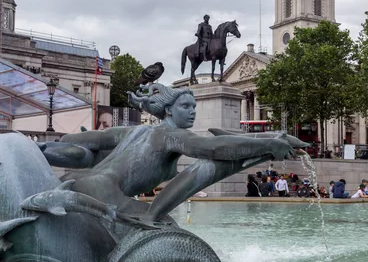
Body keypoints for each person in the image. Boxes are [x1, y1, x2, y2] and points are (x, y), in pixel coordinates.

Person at [39, 83, 297, 222]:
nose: (192, 111)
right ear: (169, 110)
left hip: (74, 184)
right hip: (106, 195)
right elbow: (213, 148)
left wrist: (47, 147)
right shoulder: (172, 135)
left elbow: (86, 140)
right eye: (186, 106)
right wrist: (267, 145)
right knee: (167, 229)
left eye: (194, 106)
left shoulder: (134, 132)